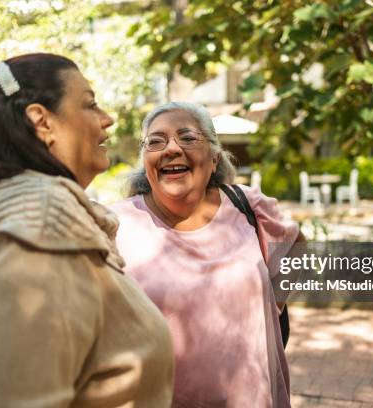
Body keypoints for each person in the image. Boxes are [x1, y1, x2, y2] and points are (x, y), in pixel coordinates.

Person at [0, 53, 174, 407]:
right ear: (42, 122)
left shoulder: (0, 213)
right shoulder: (38, 222)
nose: (107, 119)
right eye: (90, 105)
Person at [110, 102, 303, 408]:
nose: (172, 149)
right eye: (156, 141)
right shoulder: (116, 224)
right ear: (145, 161)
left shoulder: (248, 205)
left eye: (187, 138)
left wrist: (270, 305)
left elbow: (295, 246)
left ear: (214, 158)